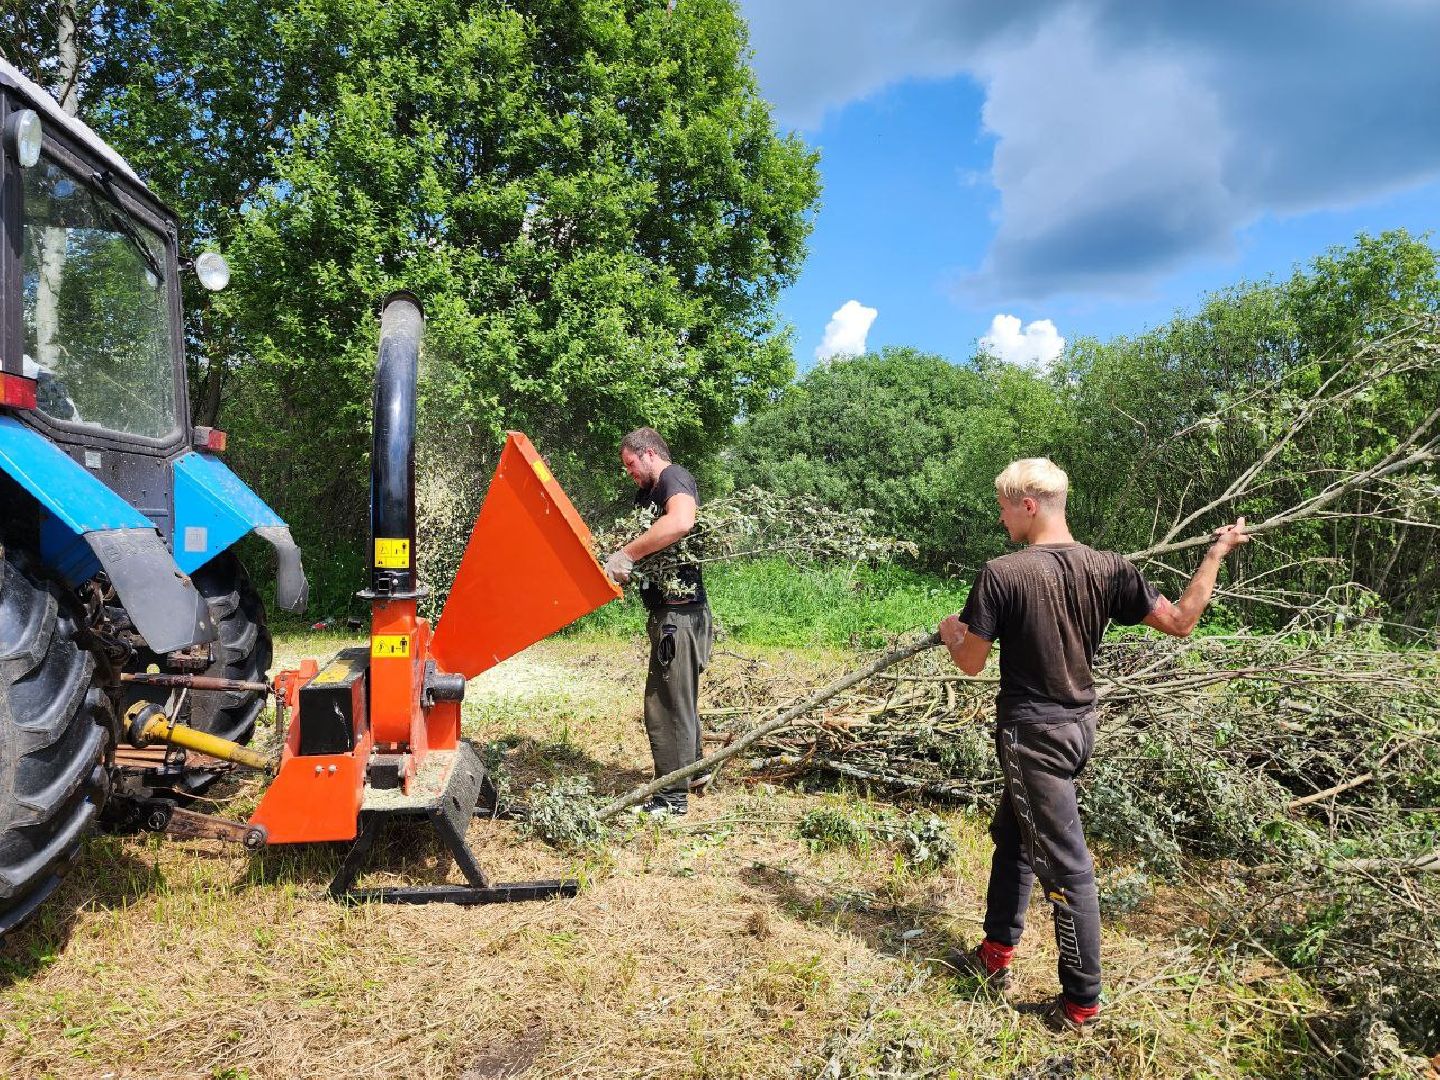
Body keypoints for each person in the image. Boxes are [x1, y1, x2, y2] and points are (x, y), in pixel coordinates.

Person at [938, 458, 1247, 1033]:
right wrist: (1215, 554)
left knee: (1067, 870)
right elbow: (1182, 620)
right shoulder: (1110, 567)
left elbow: (972, 662)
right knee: (1015, 836)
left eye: (1004, 508)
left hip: (1033, 738)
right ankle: (995, 953)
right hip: (1078, 729)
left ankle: (1081, 1004)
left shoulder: (1002, 574)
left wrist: (951, 631)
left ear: (1028, 505)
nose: (1001, 519)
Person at [603, 427, 714, 818]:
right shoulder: (647, 494)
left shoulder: (673, 477)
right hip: (670, 615)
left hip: (679, 616)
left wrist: (628, 555)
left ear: (649, 453)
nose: (629, 473)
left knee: (664, 705)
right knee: (679, 698)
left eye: (631, 464)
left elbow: (681, 522)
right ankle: (694, 772)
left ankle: (671, 799)